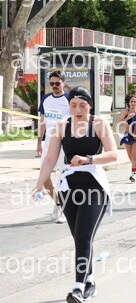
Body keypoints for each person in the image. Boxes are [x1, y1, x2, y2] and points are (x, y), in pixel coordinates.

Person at [32, 86, 117, 303]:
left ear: (90, 105)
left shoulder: (99, 123)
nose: (78, 110)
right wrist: (40, 182)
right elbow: (50, 158)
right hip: (69, 187)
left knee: (83, 236)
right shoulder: (62, 126)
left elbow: (113, 154)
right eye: (73, 105)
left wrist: (89, 159)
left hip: (94, 186)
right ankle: (90, 281)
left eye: (82, 105)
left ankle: (78, 287)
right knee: (79, 237)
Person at [37, 70, 70, 224]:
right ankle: (58, 203)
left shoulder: (69, 98)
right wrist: (39, 142)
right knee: (44, 177)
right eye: (52, 84)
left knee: (63, 176)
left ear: (63, 82)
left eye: (57, 83)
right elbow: (42, 121)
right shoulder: (46, 99)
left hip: (65, 142)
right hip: (49, 142)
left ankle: (64, 209)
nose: (54, 86)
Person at [119, 94, 136, 183]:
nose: (133, 103)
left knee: (134, 156)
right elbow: (120, 123)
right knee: (130, 157)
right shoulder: (125, 112)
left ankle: (133, 174)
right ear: (128, 103)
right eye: (131, 101)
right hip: (127, 135)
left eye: (135, 101)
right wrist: (128, 117)